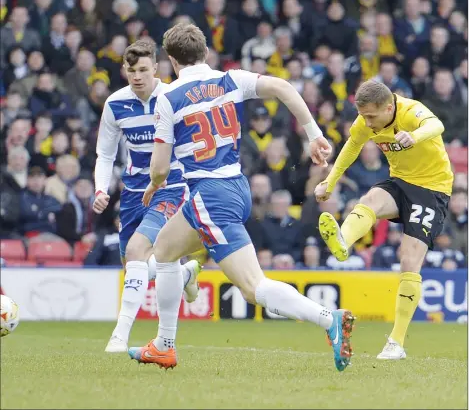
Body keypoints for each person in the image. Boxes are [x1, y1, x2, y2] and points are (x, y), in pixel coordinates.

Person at [129, 23, 355, 372]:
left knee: (254, 288)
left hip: (210, 196)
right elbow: (281, 86)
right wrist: (313, 133)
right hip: (235, 185)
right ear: (205, 53)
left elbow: (159, 168)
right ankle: (164, 344)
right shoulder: (228, 80)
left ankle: (329, 319)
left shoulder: (168, 99)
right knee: (165, 249)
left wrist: (153, 185)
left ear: (171, 61)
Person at [314, 79, 453, 360]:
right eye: (363, 115)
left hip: (432, 189)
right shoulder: (366, 121)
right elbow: (352, 146)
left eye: (371, 116)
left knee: (409, 260)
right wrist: (329, 182)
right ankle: (344, 240)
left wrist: (416, 136)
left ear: (389, 107)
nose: (366, 122)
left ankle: (396, 343)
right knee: (369, 200)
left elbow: (437, 126)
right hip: (401, 181)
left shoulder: (411, 111)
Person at [92, 39, 202, 354]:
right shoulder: (115, 104)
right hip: (133, 193)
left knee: (139, 249)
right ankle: (184, 274)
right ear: (124, 71)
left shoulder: (173, 97)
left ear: (156, 67)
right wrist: (101, 189)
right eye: (131, 70)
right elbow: (105, 154)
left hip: (170, 186)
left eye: (143, 69)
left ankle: (119, 335)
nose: (137, 76)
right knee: (133, 262)